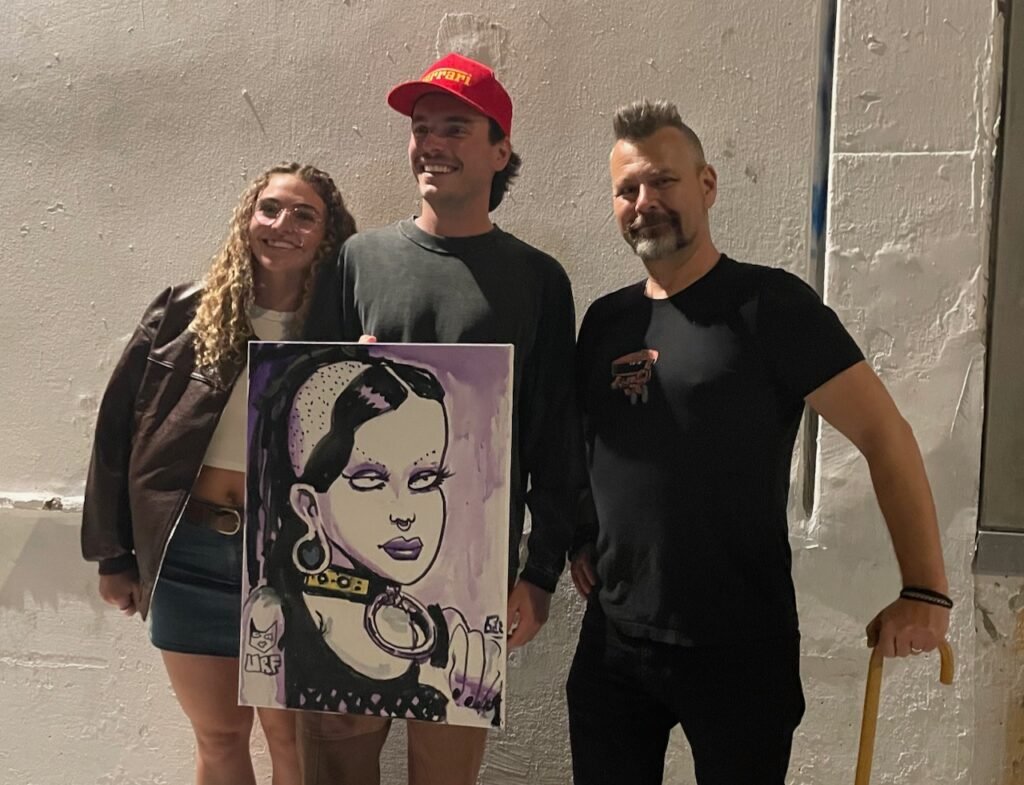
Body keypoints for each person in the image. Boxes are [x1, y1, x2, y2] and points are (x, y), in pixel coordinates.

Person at [567, 99, 952, 785]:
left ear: (707, 184)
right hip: (615, 645)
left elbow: (883, 434)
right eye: (627, 190)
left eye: (663, 181)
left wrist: (925, 588)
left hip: (740, 647)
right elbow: (593, 443)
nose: (644, 202)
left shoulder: (771, 307)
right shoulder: (605, 321)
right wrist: (580, 533)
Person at [299, 52, 580, 785]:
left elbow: (556, 437)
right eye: (422, 128)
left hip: (473, 576)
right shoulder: (358, 261)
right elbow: (302, 417)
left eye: (455, 128)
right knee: (335, 768)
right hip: (348, 568)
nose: (431, 143)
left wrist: (539, 574)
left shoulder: (539, 279)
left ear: (500, 151)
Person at [81, 162, 356, 785]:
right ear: (247, 218)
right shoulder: (184, 313)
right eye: (270, 208)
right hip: (189, 555)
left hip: (290, 557)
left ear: (327, 234)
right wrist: (113, 555)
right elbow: (116, 433)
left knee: (293, 742)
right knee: (219, 736)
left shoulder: (338, 327)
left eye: (304, 215)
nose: (282, 225)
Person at [239, 344, 502, 724]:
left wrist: (476, 685)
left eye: (425, 480)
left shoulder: (441, 633)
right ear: (309, 506)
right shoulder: (275, 616)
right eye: (370, 480)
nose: (405, 514)